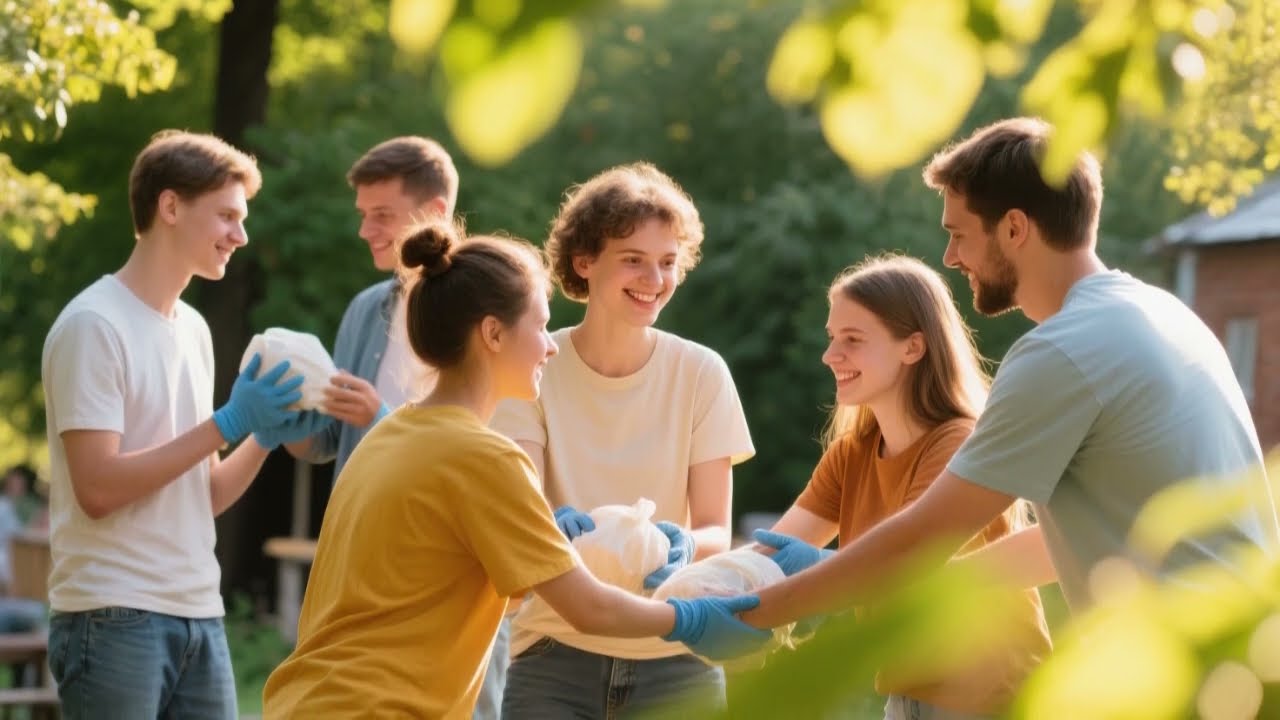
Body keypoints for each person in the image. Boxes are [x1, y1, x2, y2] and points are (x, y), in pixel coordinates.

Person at [686, 117, 1280, 663]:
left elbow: (921, 536)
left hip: (1190, 670)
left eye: (959, 234)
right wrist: (835, 568)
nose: (950, 257)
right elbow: (1047, 549)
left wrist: (757, 612)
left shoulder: (1064, 351)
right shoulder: (1160, 314)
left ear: (1015, 228)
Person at [260, 220, 767, 719]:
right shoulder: (485, 458)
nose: (551, 345)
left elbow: (446, 590)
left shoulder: (388, 436)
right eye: (541, 326)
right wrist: (689, 618)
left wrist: (554, 544)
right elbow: (589, 609)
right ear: (493, 334)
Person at [40, 130, 325, 717]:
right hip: (111, 615)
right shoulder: (93, 325)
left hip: (199, 613)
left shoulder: (193, 330)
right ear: (170, 206)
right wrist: (228, 421)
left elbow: (206, 494)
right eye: (226, 216)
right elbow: (97, 488)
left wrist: (261, 437)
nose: (240, 236)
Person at [492, 162, 756, 717]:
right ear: (584, 262)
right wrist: (549, 523)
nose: (654, 279)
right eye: (633, 259)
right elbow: (522, 510)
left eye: (668, 262)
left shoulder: (701, 373)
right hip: (553, 655)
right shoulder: (533, 366)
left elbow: (715, 529)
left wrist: (687, 546)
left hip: (678, 656)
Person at [753, 254, 1051, 720]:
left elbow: (907, 570)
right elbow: (770, 555)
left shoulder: (956, 443)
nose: (830, 355)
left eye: (853, 339)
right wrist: (686, 581)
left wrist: (818, 572)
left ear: (912, 347)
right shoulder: (853, 453)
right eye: (832, 338)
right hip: (907, 694)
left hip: (989, 695)